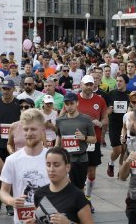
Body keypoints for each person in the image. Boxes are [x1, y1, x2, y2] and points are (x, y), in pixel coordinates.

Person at [26, 147, 95, 224]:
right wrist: (35, 223)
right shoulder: (39, 194)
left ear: (67, 167)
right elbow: (42, 223)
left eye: (56, 165)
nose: (51, 169)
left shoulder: (77, 196)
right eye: (48, 165)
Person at [0, 108, 50, 224]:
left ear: (42, 130)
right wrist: (11, 201)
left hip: (49, 216)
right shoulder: (12, 160)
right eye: (26, 129)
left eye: (33, 129)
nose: (29, 133)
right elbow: (3, 191)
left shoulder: (53, 157)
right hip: (23, 219)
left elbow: (64, 191)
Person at [0, 79, 21, 214]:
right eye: (4, 88)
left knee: (12, 175)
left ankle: (8, 201)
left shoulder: (18, 104)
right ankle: (0, 197)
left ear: (13, 90)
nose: (6, 91)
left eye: (8, 89)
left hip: (13, 145)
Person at [77, 75, 107, 212]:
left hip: (93, 140)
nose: (89, 87)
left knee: (92, 170)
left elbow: (105, 117)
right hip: (78, 140)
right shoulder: (75, 99)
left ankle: (88, 198)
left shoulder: (99, 100)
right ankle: (80, 199)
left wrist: (100, 123)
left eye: (91, 84)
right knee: (79, 170)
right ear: (81, 84)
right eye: (86, 84)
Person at [56, 92, 96, 190]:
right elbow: (59, 138)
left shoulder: (86, 119)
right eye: (67, 104)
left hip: (80, 159)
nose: (69, 106)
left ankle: (83, 205)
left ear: (77, 103)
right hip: (66, 159)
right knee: (65, 188)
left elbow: (94, 139)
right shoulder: (59, 120)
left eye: (71, 103)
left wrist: (84, 138)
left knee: (79, 188)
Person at [106, 74, 130, 177]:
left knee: (124, 149)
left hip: (125, 126)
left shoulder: (130, 94)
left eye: (120, 81)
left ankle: (121, 169)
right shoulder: (111, 94)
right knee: (117, 150)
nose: (118, 83)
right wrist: (108, 110)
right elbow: (105, 109)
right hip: (114, 125)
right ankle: (111, 163)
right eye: (117, 80)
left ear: (125, 83)